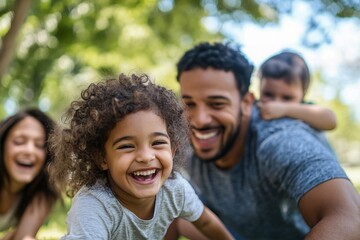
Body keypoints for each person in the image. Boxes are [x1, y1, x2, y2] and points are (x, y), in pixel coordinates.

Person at [167, 42, 360, 239]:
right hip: (236, 232)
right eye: (189, 104)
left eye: (217, 104)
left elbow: (350, 218)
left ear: (247, 104)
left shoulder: (279, 140)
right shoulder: (179, 142)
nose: (199, 120)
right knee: (166, 201)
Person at [49, 73, 234, 240]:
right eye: (127, 146)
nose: (146, 157)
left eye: (157, 143)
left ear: (173, 150)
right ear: (102, 158)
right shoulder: (95, 204)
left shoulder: (175, 189)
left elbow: (206, 223)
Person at [0, 108, 61, 240]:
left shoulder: (43, 193)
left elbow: (24, 238)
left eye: (39, 145)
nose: (29, 151)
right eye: (19, 141)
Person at [257, 50, 337, 131]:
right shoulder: (254, 108)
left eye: (287, 98)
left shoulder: (304, 110)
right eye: (268, 94)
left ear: (303, 93)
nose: (276, 103)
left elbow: (331, 120)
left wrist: (285, 109)